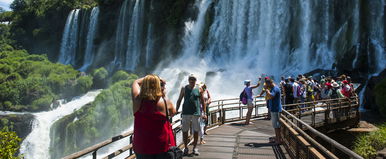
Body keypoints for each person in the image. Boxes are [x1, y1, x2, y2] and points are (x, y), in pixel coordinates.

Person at [132, 75, 177, 159]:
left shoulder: (137, 100)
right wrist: (164, 94)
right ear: (158, 86)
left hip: (141, 146)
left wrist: (149, 78)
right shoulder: (165, 101)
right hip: (161, 146)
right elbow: (173, 112)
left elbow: (136, 82)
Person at [176, 74, 206, 156]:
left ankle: (195, 148)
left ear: (196, 80)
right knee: (185, 131)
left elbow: (203, 102)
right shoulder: (184, 88)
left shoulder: (199, 89)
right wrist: (176, 110)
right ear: (188, 80)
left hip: (196, 113)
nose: (192, 81)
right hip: (185, 113)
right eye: (190, 79)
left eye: (194, 79)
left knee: (196, 131)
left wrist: (204, 113)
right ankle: (185, 147)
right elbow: (179, 100)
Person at [265, 79, 282, 145]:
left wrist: (267, 91)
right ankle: (277, 139)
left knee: (276, 126)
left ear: (270, 83)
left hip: (276, 109)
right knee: (276, 126)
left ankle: (278, 141)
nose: (266, 86)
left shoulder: (275, 88)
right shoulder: (274, 88)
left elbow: (272, 95)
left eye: (267, 84)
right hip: (274, 109)